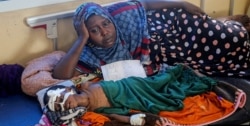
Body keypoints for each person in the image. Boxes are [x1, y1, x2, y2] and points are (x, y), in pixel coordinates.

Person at [52, 0, 250, 80]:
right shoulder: (87, 50)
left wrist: (180, 3)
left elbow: (144, 2)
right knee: (215, 60)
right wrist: (82, 38)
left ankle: (234, 25)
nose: (104, 32)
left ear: (110, 19)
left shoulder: (120, 13)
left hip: (174, 24)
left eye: (106, 24)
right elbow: (60, 76)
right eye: (94, 30)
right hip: (169, 52)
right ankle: (232, 24)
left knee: (233, 38)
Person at [47, 64, 217, 125]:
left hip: (134, 85)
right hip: (133, 99)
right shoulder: (91, 110)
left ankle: (179, 69)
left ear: (68, 90)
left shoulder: (84, 85)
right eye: (58, 107)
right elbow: (113, 114)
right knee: (164, 101)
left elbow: (85, 72)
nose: (63, 104)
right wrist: (130, 120)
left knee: (161, 81)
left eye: (60, 99)